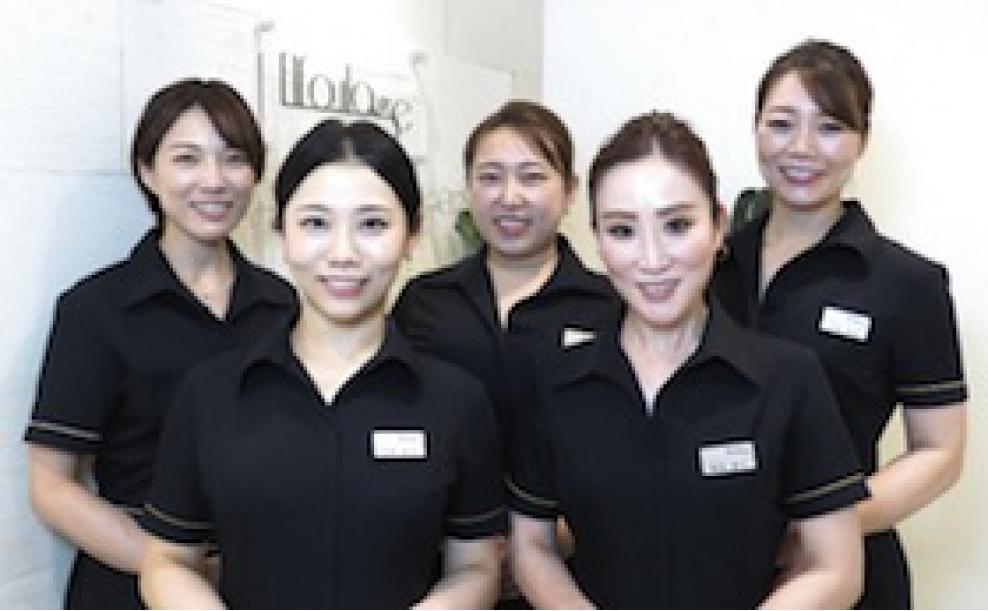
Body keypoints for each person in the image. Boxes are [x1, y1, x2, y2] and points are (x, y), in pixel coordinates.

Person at [138, 119, 506, 609]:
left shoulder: (456, 400)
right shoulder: (211, 392)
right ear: (281, 231)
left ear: (412, 234)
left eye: (372, 224)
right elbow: (167, 560)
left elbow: (476, 565)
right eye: (315, 223)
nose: (343, 254)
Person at [508, 112, 867, 609]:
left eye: (677, 225)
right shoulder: (556, 383)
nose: (652, 259)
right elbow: (531, 545)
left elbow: (837, 569)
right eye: (623, 230)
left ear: (718, 225)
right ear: (598, 239)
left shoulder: (787, 379)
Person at [711, 40, 967, 609]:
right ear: (755, 129)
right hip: (716, 562)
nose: (801, 148)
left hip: (851, 570)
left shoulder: (906, 283)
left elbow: (939, 452)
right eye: (781, 124)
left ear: (862, 141)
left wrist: (824, 527)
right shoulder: (707, 266)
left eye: (829, 127)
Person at [23, 78, 296, 609]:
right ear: (148, 172)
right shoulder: (96, 309)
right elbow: (51, 487)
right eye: (187, 159)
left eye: (234, 159)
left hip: (260, 582)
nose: (214, 181)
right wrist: (176, 568)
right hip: (129, 584)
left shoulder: (283, 304)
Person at [392, 100, 619, 433]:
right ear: (469, 187)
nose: (510, 198)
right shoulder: (425, 300)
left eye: (532, 177)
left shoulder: (610, 306)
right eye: (490, 177)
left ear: (570, 191)